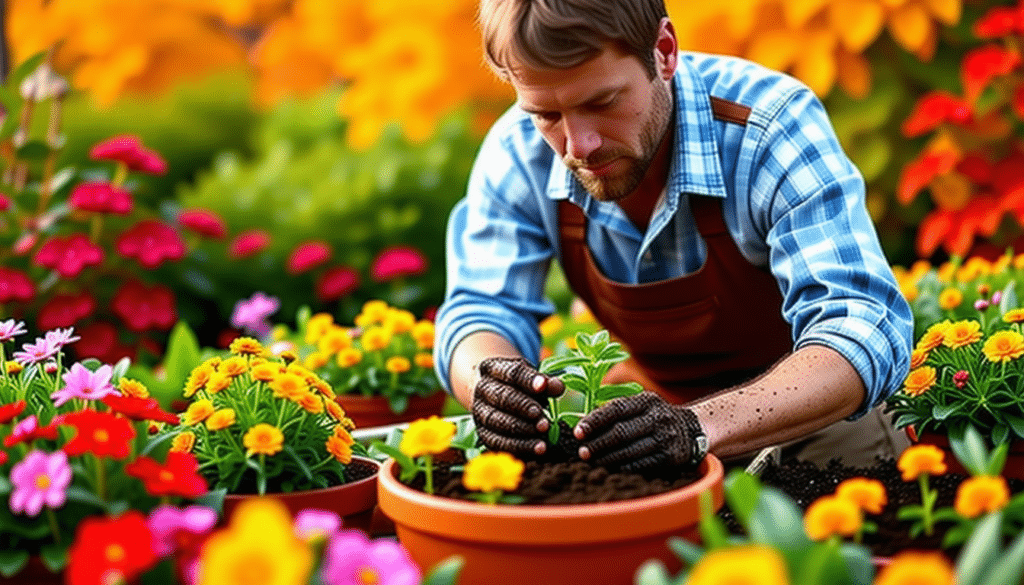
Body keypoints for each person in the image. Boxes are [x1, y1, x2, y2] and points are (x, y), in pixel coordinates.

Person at [433, 0, 913, 472]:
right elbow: (481, 310)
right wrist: (488, 386)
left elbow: (860, 327)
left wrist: (698, 426)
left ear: (663, 51)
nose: (579, 146)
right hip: (653, 423)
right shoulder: (518, 151)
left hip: (816, 425)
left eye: (601, 102)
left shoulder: (767, 128)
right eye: (546, 115)